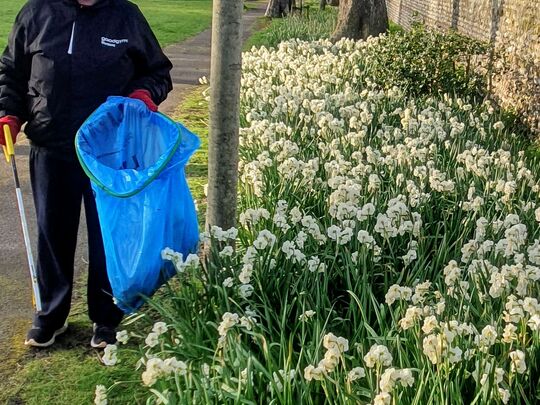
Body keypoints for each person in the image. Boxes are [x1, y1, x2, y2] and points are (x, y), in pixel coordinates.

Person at [0, 0, 173, 348]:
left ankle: (107, 318)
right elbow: (11, 73)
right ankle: (50, 316)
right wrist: (9, 114)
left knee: (106, 236)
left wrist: (142, 96)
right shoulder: (36, 13)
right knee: (52, 234)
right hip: (51, 146)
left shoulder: (125, 15)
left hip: (109, 152)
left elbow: (158, 73)